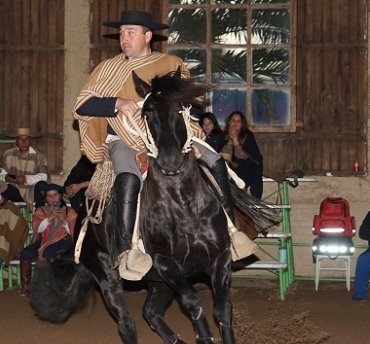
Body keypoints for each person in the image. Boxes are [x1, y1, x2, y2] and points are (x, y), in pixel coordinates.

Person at [73, 10, 252, 280]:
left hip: (170, 134)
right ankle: (125, 250)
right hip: (125, 138)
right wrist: (116, 103)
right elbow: (82, 105)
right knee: (128, 177)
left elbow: (186, 101)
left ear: (147, 36)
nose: (124, 38)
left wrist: (187, 123)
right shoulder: (108, 68)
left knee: (215, 160)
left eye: (130, 32)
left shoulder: (172, 63)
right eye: (121, 33)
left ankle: (231, 232)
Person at [19, 183, 77, 296]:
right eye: (49, 196)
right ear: (46, 198)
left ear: (60, 196)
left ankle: (52, 286)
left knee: (50, 252)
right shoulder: (41, 210)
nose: (52, 198)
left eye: (55, 195)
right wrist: (50, 218)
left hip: (65, 241)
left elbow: (74, 232)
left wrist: (64, 220)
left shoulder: (69, 211)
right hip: (44, 241)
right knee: (25, 253)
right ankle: (26, 287)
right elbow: (37, 229)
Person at [0, 127, 50, 209]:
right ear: (16, 141)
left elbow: (44, 177)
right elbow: (1, 176)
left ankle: (39, 214)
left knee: (41, 185)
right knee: (3, 187)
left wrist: (25, 179)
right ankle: (13, 212)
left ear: (30, 141)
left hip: (33, 192)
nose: (24, 142)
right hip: (16, 193)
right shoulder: (8, 155)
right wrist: (6, 178)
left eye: (27, 139)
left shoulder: (39, 156)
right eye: (20, 139)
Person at [220, 111, 264, 199]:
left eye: (238, 121)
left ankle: (243, 193)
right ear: (229, 122)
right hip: (229, 169)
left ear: (242, 124)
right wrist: (229, 141)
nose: (235, 123)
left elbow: (246, 156)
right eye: (233, 120)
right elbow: (224, 156)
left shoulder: (247, 135)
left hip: (248, 169)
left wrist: (235, 141)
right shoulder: (223, 135)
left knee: (243, 164)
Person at [63, 155, 96, 229]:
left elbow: (103, 180)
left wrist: (80, 186)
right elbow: (73, 177)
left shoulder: (108, 159)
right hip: (83, 202)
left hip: (101, 199)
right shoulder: (86, 159)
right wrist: (69, 189)